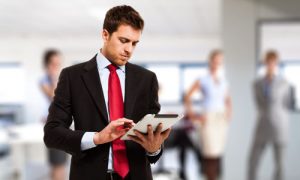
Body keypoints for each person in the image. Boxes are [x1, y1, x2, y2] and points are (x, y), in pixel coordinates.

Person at [43, 5, 171, 180]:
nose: (129, 50)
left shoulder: (146, 79)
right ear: (105, 35)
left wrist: (154, 148)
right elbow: (52, 133)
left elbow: (152, 145)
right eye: (124, 40)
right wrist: (97, 138)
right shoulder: (72, 76)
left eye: (134, 43)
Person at [184, 50, 232, 180]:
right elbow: (187, 97)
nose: (217, 63)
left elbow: (227, 99)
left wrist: (229, 113)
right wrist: (193, 115)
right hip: (208, 118)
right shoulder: (203, 80)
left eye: (220, 61)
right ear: (210, 61)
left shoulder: (223, 81)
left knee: (218, 153)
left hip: (221, 120)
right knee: (209, 153)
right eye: (215, 60)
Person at [248, 50, 294, 180]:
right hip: (262, 125)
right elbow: (258, 104)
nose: (270, 65)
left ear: (276, 63)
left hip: (280, 127)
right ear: (264, 63)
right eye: (268, 62)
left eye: (273, 62)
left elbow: (287, 104)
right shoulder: (256, 84)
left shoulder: (284, 83)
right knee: (253, 161)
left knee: (279, 164)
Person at [40, 49, 67, 180]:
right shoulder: (45, 80)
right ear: (47, 64)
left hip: (63, 124)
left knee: (61, 162)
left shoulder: (61, 78)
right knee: (57, 163)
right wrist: (54, 76)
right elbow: (54, 96)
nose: (57, 66)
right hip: (54, 124)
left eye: (58, 63)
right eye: (54, 63)